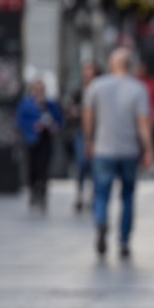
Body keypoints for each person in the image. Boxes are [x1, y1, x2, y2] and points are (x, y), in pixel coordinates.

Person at [83, 47, 154, 259]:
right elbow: (144, 123)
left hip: (103, 149)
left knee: (101, 194)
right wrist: (149, 149)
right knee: (127, 197)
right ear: (130, 65)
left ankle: (102, 222)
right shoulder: (138, 89)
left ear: (111, 64)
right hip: (129, 151)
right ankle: (124, 241)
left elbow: (88, 117)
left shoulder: (96, 85)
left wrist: (89, 140)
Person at [16, 77, 63, 210]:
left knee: (43, 168)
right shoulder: (26, 104)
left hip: (45, 139)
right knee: (32, 167)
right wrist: (33, 126)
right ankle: (33, 191)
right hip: (31, 139)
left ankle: (42, 194)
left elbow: (59, 120)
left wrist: (53, 125)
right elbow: (20, 121)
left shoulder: (50, 104)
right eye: (37, 89)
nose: (39, 92)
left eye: (41, 89)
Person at [65, 62, 100, 212]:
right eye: (85, 74)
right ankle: (79, 195)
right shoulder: (79, 92)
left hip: (99, 134)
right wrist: (73, 113)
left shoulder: (101, 91)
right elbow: (69, 112)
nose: (87, 77)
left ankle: (94, 197)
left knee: (96, 167)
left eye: (90, 74)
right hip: (81, 133)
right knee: (82, 164)